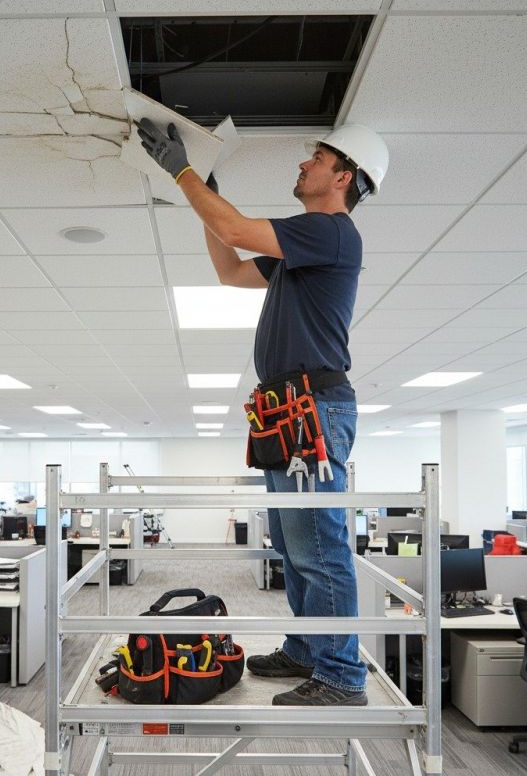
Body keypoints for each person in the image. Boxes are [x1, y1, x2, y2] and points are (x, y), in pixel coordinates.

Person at [137, 119, 389, 706]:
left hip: (314, 410)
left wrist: (185, 172)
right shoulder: (302, 253)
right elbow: (228, 269)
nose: (304, 165)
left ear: (342, 176)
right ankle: (306, 649)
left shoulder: (329, 231)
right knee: (292, 542)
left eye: (317, 159)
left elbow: (231, 227)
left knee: (320, 549)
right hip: (288, 413)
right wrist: (207, 188)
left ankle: (341, 676)